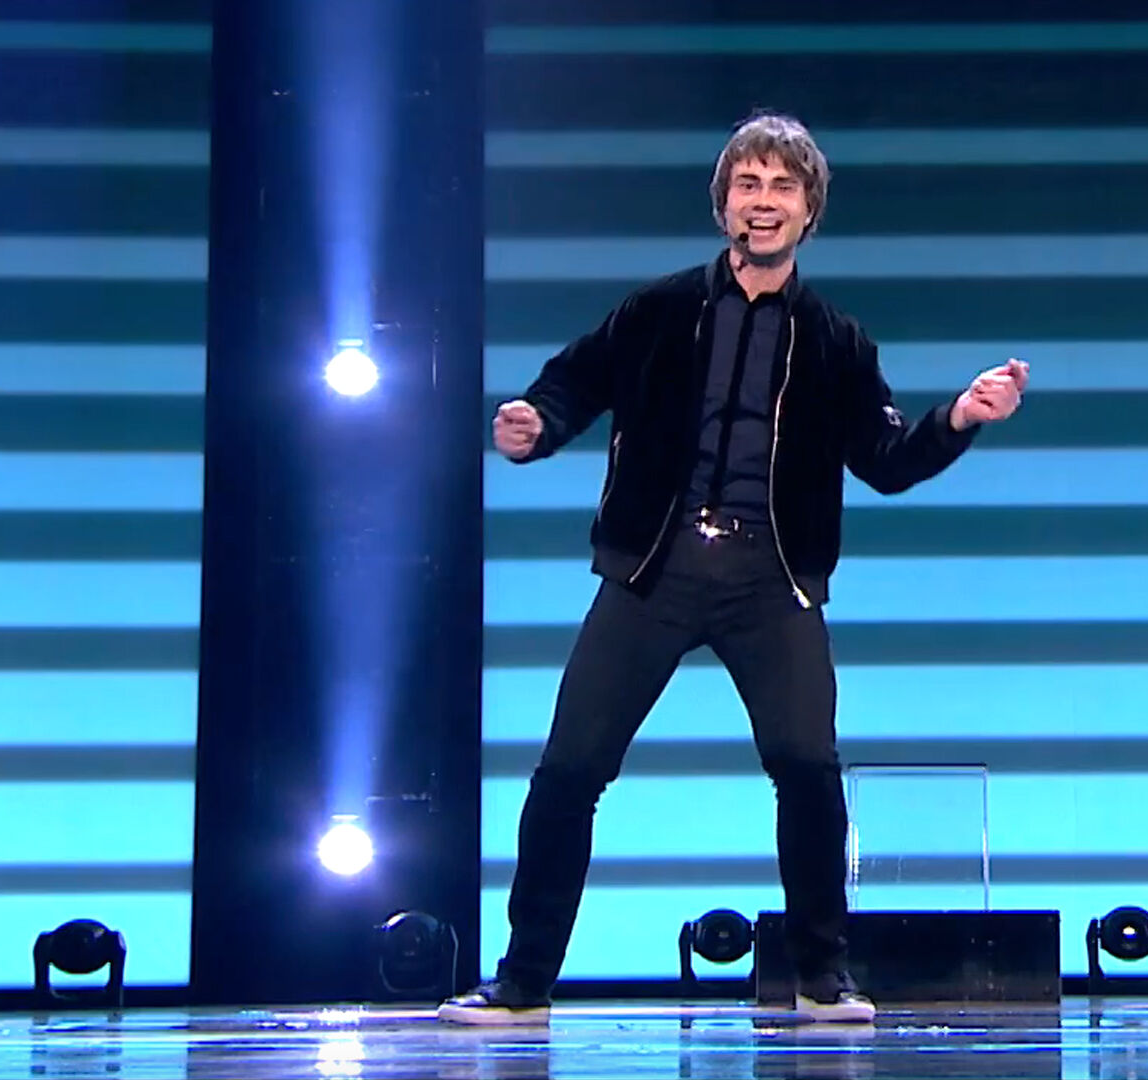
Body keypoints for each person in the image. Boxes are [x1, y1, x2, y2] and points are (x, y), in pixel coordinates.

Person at [438, 111, 1028, 1027]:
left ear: (808, 212)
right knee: (569, 771)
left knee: (807, 769)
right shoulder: (659, 310)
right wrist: (538, 425)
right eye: (748, 184)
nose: (764, 201)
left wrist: (959, 419)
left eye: (782, 187)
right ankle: (522, 984)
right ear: (724, 206)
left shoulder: (836, 341)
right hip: (653, 569)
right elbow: (574, 380)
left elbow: (886, 460)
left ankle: (823, 979)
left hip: (772, 578)